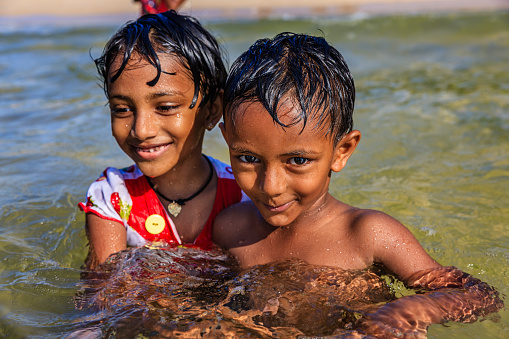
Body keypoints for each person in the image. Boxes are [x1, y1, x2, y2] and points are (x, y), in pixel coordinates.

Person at [213, 33, 503, 336]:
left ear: (342, 152)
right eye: (248, 158)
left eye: (297, 161)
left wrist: (406, 311)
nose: (270, 186)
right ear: (227, 142)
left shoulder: (368, 234)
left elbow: (480, 297)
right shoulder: (230, 228)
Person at [79, 11, 247, 270]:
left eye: (166, 107)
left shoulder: (242, 194)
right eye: (122, 109)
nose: (141, 130)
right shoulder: (113, 197)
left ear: (212, 110)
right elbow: (103, 298)